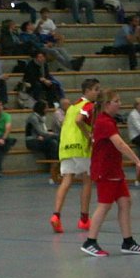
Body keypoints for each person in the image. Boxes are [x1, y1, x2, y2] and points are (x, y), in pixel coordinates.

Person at [81, 90, 140, 256]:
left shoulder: (108, 120)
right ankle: (90, 241)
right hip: (105, 170)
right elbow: (120, 144)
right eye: (117, 100)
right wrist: (137, 161)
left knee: (125, 202)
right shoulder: (104, 122)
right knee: (105, 204)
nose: (120, 103)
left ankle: (128, 241)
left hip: (115, 169)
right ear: (107, 104)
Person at [51, 78, 100, 233]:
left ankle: (56, 215)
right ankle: (84, 219)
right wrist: (89, 137)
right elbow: (80, 122)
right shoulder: (89, 106)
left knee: (66, 180)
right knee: (87, 181)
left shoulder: (72, 107)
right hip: (81, 147)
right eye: (96, 89)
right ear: (87, 91)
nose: (98, 92)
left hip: (65, 147)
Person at [127, 97, 140, 185]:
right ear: (137, 106)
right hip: (136, 137)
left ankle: (139, 178)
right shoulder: (133, 115)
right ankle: (138, 178)